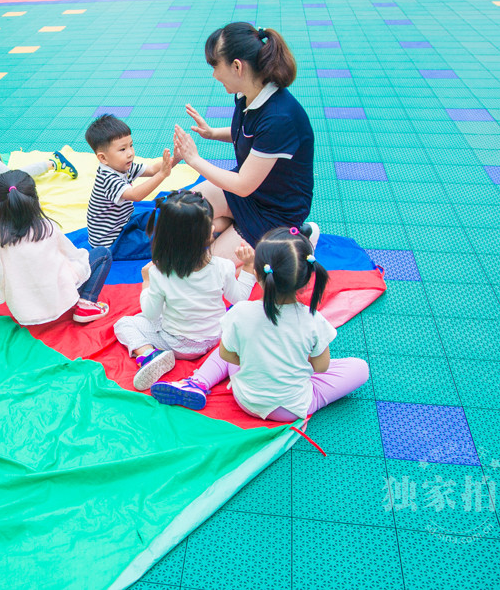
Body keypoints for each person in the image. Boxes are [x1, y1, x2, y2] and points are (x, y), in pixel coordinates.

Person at [151, 227, 369, 419]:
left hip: (246, 398)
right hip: (290, 408)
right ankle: (292, 386)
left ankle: (198, 382)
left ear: (257, 274)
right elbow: (321, 367)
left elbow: (228, 356)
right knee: (360, 368)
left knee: (229, 342)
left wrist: (258, 356)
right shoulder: (314, 321)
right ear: (307, 278)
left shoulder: (240, 312)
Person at [173, 23, 320, 263]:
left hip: (274, 212)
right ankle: (228, 225)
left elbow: (242, 185)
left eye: (215, 66)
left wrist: (194, 159)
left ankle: (296, 237)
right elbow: (249, 133)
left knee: (208, 267)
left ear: (237, 66)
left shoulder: (279, 117)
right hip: (250, 194)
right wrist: (212, 133)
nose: (213, 75)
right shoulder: (246, 93)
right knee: (179, 212)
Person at [113, 191, 257, 390]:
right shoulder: (224, 266)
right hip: (215, 336)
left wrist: (146, 283)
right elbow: (239, 299)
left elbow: (151, 313)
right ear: (208, 233)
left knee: (124, 323)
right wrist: (248, 268)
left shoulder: (160, 273)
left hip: (178, 344)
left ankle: (147, 354)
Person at [0, 170, 112, 325]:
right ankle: (86, 302)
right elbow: (73, 256)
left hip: (24, 312)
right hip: (60, 300)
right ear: (35, 199)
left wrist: (8, 289)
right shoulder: (47, 227)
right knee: (102, 254)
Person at [84, 114, 174, 248]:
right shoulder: (107, 178)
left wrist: (176, 158)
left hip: (126, 220)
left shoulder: (123, 165)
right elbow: (135, 195)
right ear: (103, 158)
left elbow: (153, 170)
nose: (130, 153)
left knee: (162, 218)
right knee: (164, 240)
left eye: (131, 145)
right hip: (112, 240)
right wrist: (162, 175)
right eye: (122, 149)